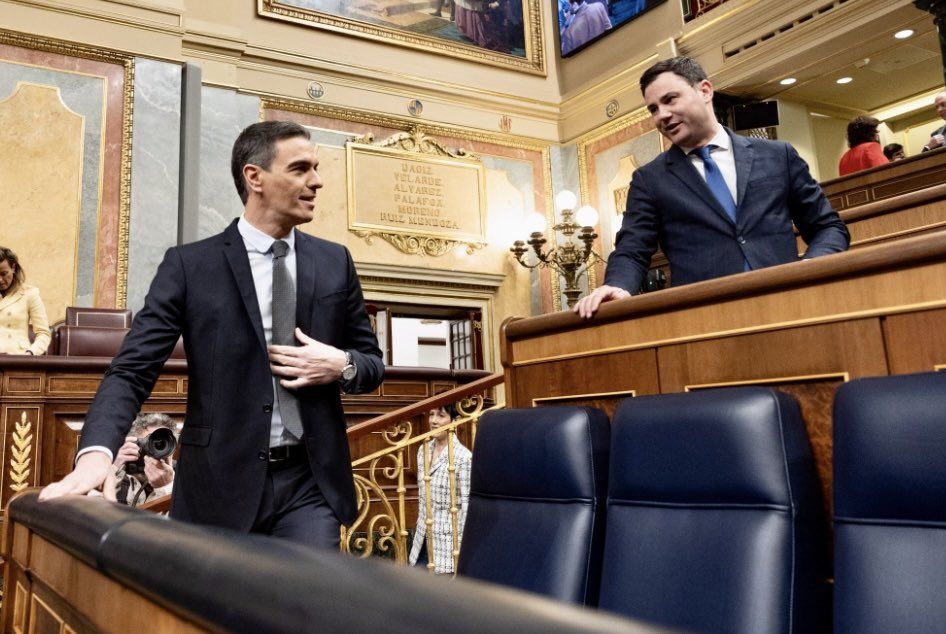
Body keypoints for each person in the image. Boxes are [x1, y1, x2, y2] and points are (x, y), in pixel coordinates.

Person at [40, 121, 385, 551]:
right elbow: (130, 372)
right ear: (254, 177)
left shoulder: (335, 262)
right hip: (220, 485)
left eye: (315, 168)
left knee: (305, 611)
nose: (317, 181)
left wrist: (342, 365)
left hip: (310, 483)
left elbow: (372, 363)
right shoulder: (190, 266)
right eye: (300, 169)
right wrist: (94, 456)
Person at [575, 56, 849, 318]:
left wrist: (811, 268)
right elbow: (632, 249)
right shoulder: (650, 180)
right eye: (653, 109)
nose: (662, 115)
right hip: (705, 319)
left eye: (670, 99)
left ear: (705, 90)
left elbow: (828, 227)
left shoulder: (778, 155)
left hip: (790, 306)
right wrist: (619, 285)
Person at [409, 404, 471, 574]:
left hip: (448, 547)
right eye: (431, 414)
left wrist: (463, 552)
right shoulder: (423, 450)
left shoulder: (463, 457)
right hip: (421, 540)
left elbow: (466, 507)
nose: (433, 421)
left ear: (455, 421)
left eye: (441, 416)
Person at [102, 412, 176, 508]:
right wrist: (113, 468)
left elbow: (181, 521)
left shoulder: (184, 481)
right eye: (150, 442)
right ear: (133, 444)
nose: (157, 449)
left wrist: (166, 488)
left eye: (163, 445)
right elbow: (97, 513)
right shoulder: (122, 478)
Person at [0, 246, 50, 355]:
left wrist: (31, 353)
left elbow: (43, 333)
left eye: (4, 274)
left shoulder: (30, 294)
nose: (0, 280)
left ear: (13, 268)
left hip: (18, 358)